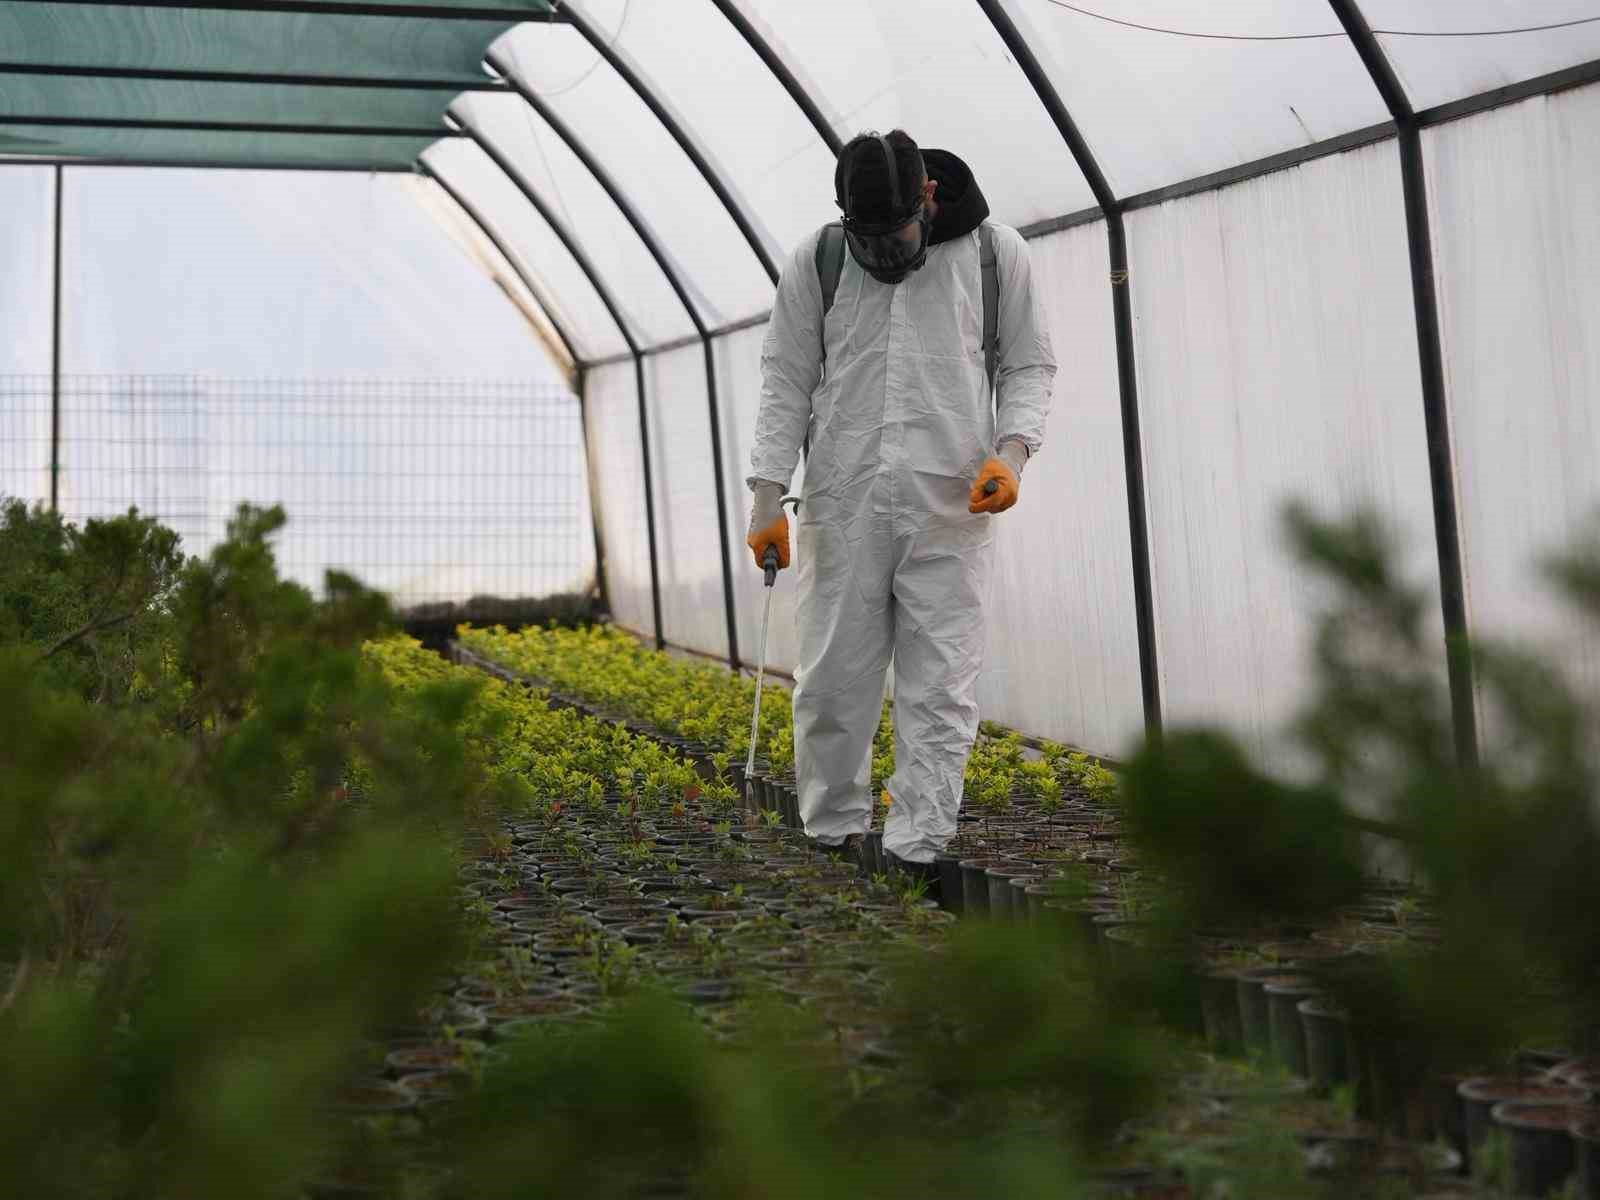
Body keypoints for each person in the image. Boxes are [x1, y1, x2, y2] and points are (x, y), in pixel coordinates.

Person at [745, 129, 1057, 889]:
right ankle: (834, 840)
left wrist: (1010, 457)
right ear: (846, 219)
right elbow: (786, 381)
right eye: (870, 242)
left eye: (900, 237)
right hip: (841, 503)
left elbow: (1028, 363)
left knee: (940, 684)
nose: (886, 256)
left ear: (929, 197)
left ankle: (916, 851)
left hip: (951, 505)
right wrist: (765, 498)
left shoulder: (993, 255)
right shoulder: (815, 262)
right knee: (830, 682)